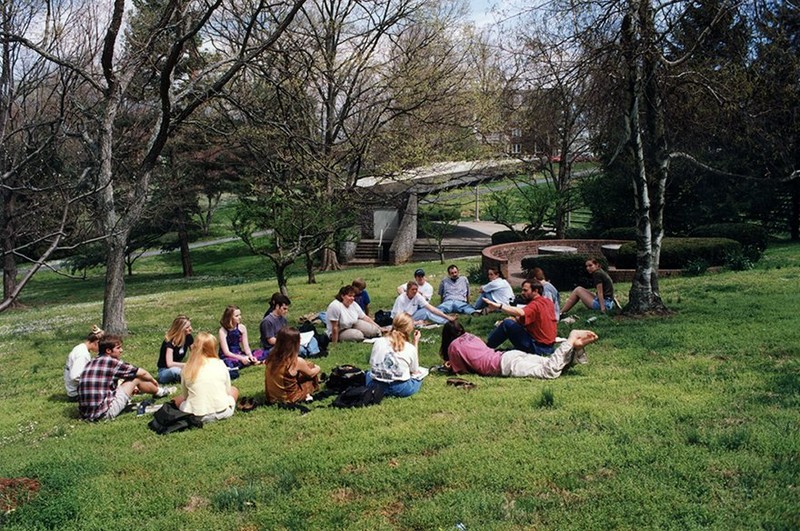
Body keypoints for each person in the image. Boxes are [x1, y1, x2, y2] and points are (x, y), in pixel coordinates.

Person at [440, 321, 598, 379]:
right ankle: (575, 349)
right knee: (556, 366)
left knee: (549, 372)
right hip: (508, 354)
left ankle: (571, 339)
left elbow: (462, 372)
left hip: (504, 365)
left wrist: (450, 367)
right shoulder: (471, 336)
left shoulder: (453, 346)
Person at [77, 336, 174, 421]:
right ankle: (160, 392)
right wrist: (153, 381)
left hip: (85, 413)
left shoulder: (92, 362)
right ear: (108, 351)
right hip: (103, 414)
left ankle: (157, 391)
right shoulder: (111, 362)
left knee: (129, 379)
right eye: (118, 348)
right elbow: (142, 373)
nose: (121, 350)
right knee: (136, 378)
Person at [173, 332, 239, 424]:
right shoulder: (220, 363)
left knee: (177, 399)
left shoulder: (188, 367)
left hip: (195, 416)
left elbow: (185, 395)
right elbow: (227, 391)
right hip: (223, 412)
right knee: (234, 390)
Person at [483, 279, 557, 355]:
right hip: (549, 348)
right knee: (510, 322)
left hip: (538, 348)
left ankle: (485, 349)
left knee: (507, 324)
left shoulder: (535, 305)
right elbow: (525, 319)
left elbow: (521, 312)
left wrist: (499, 306)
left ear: (535, 291)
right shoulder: (547, 302)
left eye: (525, 290)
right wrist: (515, 320)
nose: (522, 293)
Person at [366, 313, 424, 397]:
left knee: (368, 374)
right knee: (419, 377)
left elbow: (372, 362)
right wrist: (415, 343)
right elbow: (414, 370)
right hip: (400, 387)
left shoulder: (378, 341)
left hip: (376, 385)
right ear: (409, 330)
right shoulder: (410, 348)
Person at [264, 327, 321, 404]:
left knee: (304, 369)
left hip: (271, 397)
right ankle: (308, 394)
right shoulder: (295, 361)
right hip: (289, 398)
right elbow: (310, 374)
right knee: (311, 368)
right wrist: (318, 368)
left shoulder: (271, 357)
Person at [64, 325, 104, 400]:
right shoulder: (83, 354)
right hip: (76, 393)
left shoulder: (80, 347)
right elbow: (75, 376)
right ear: (96, 343)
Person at [156, 315, 194, 384]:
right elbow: (169, 364)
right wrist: (187, 365)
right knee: (175, 371)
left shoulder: (188, 337)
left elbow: (195, 353)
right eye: (187, 327)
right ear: (180, 329)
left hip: (180, 368)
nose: (191, 328)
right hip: (165, 371)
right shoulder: (169, 342)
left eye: (190, 326)